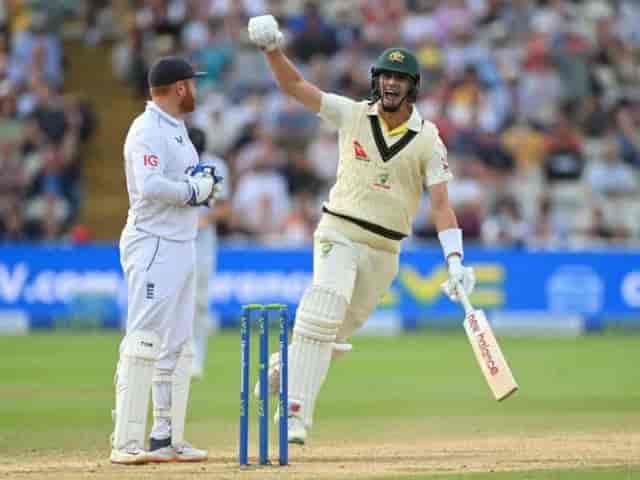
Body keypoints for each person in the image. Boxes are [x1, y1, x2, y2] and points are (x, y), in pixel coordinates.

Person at [247, 15, 476, 444]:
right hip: (339, 230)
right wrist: (272, 51)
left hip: (384, 250)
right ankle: (294, 415)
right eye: (385, 76)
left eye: (399, 78)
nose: (391, 84)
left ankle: (285, 365)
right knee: (324, 307)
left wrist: (456, 261)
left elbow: (442, 206)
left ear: (412, 86)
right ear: (377, 80)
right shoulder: (352, 115)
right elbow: (297, 89)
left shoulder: (428, 139)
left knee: (334, 334)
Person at [111, 56, 222, 464]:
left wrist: (203, 185)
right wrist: (195, 190)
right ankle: (125, 441)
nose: (196, 90)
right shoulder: (146, 130)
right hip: (153, 242)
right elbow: (151, 185)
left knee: (178, 344)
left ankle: (165, 436)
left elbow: (182, 183)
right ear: (179, 88)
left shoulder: (178, 132)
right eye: (192, 84)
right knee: (144, 340)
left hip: (182, 242)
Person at [187, 126, 231, 379]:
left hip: (202, 243)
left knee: (199, 301)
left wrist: (203, 221)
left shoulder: (216, 167)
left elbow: (225, 209)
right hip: (172, 241)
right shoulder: (171, 163)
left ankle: (196, 359)